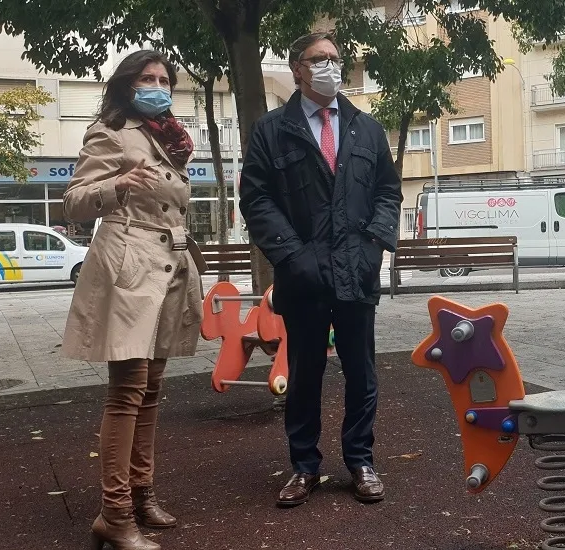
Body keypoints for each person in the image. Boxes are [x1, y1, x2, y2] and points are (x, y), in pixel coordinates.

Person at [238, 32, 403, 507]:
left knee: (362, 372)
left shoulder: (365, 128)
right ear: (297, 67)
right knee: (305, 375)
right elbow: (257, 199)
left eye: (335, 58)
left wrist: (375, 246)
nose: (330, 66)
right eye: (319, 59)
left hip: (357, 273)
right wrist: (293, 255)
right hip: (304, 278)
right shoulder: (272, 130)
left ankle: (360, 460)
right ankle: (304, 467)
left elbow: (387, 192)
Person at [61, 49, 204, 550]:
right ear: (127, 85)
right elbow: (75, 199)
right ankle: (115, 514)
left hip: (168, 265)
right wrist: (117, 185)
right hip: (130, 267)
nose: (157, 84)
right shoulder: (111, 130)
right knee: (128, 387)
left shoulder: (171, 136)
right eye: (147, 77)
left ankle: (142, 496)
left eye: (165, 78)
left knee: (153, 388)